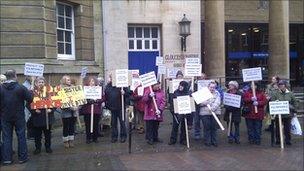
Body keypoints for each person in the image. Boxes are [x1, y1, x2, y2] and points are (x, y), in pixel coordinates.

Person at [0, 69, 33, 165]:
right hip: (19, 115)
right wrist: (30, 91)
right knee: (21, 136)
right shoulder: (20, 87)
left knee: (6, 137)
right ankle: (23, 157)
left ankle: (7, 159)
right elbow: (30, 99)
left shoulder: (1, 88)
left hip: (5, 116)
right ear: (15, 76)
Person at [29, 77, 55, 154]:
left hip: (47, 116)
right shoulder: (32, 93)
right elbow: (28, 103)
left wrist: (51, 109)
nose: (41, 83)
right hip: (37, 117)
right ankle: (38, 148)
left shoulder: (49, 92)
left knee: (47, 133)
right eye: (39, 82)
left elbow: (55, 102)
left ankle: (48, 147)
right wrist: (34, 110)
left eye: (42, 82)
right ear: (36, 83)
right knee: (37, 134)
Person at [104, 74, 130, 143]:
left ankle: (123, 136)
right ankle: (114, 136)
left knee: (122, 122)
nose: (111, 79)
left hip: (120, 107)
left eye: (112, 78)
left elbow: (128, 94)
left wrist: (124, 92)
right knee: (113, 123)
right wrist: (107, 105)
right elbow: (106, 96)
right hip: (112, 108)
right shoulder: (108, 86)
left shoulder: (122, 85)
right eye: (110, 78)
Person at [271, 80, 297, 146]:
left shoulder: (290, 93)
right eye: (279, 85)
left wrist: (293, 108)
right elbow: (272, 101)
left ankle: (288, 140)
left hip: (287, 114)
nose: (281, 86)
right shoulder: (275, 93)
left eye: (282, 85)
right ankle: (278, 140)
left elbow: (295, 102)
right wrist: (275, 102)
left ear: (285, 85)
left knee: (287, 128)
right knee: (278, 128)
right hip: (278, 114)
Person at [80, 76, 104, 144]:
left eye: (93, 81)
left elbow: (103, 98)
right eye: (90, 81)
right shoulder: (85, 89)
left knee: (95, 124)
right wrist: (88, 101)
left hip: (96, 110)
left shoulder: (98, 89)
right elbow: (82, 98)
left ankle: (95, 138)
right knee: (88, 125)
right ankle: (88, 138)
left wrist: (97, 101)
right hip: (87, 110)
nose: (92, 83)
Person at [199, 81, 221, 147]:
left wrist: (213, 108)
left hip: (215, 112)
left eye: (213, 87)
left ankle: (214, 141)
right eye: (211, 87)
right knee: (207, 127)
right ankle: (207, 141)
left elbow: (218, 102)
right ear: (208, 87)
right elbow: (199, 102)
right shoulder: (203, 93)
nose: (212, 88)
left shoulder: (217, 94)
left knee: (214, 127)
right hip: (205, 113)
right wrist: (204, 103)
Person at [168, 81, 191, 145]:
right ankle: (173, 139)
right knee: (175, 126)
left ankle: (183, 139)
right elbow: (172, 102)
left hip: (185, 112)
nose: (180, 86)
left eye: (182, 85)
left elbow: (190, 103)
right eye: (180, 85)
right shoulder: (176, 92)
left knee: (184, 127)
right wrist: (173, 111)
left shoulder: (188, 93)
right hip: (177, 113)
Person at [58, 75, 77, 148]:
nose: (69, 81)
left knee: (72, 127)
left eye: (69, 79)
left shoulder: (74, 88)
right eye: (67, 80)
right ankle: (66, 141)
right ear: (64, 81)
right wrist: (71, 107)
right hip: (66, 112)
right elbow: (62, 101)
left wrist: (77, 107)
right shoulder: (61, 89)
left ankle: (71, 140)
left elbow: (78, 99)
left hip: (74, 112)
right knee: (66, 127)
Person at [193, 73, 207, 140]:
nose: (202, 79)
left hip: (205, 105)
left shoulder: (207, 84)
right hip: (196, 105)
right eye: (200, 77)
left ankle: (206, 134)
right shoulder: (194, 85)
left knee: (205, 121)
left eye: (203, 77)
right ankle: (197, 133)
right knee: (197, 120)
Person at [0, 74, 7, 162]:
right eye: (2, 81)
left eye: (4, 81)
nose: (3, 83)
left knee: (6, 136)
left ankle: (6, 151)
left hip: (5, 117)